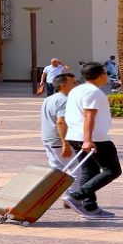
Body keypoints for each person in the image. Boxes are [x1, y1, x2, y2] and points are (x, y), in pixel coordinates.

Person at [64, 62, 122, 219]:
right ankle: (76, 196)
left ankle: (89, 207)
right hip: (95, 139)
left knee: (90, 170)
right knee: (113, 170)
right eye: (106, 73)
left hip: (75, 136)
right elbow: (89, 116)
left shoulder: (77, 90)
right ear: (102, 74)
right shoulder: (93, 92)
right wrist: (88, 140)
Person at [40, 72, 82, 206]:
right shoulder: (64, 100)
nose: (77, 84)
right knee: (76, 169)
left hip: (48, 140)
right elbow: (61, 122)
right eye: (73, 82)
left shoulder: (50, 99)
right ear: (64, 85)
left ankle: (42, 197)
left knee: (57, 171)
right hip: (58, 141)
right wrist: (65, 143)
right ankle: (71, 198)